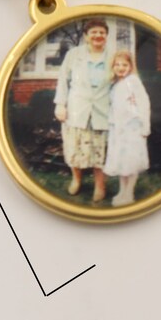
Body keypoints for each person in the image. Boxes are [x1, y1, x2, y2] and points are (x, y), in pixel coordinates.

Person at [54, 19, 111, 202]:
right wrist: (60, 104)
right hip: (77, 109)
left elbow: (124, 81)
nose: (98, 35)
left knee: (100, 149)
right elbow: (63, 80)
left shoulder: (113, 56)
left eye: (102, 32)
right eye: (93, 32)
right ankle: (76, 180)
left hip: (104, 109)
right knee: (74, 146)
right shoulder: (74, 55)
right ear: (86, 36)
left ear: (106, 36)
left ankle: (100, 185)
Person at [103, 50, 151, 206]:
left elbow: (144, 103)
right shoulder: (116, 84)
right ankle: (122, 191)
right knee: (121, 161)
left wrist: (145, 126)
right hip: (118, 128)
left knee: (131, 160)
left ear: (130, 66)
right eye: (117, 65)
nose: (120, 67)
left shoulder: (133, 81)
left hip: (132, 127)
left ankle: (129, 193)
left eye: (124, 64)